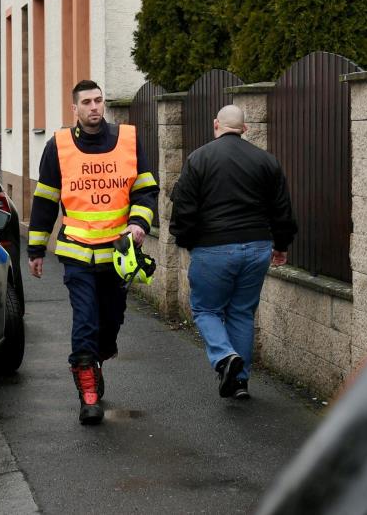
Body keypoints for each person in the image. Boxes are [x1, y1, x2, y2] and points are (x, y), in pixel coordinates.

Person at [28, 80, 159, 425]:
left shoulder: (128, 140)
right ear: (75, 109)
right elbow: (44, 200)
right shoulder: (58, 146)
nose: (94, 107)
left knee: (110, 324)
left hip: (117, 255)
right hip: (78, 255)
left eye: (98, 100)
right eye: (86, 102)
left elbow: (146, 191)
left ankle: (97, 360)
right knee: (85, 321)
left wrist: (139, 225)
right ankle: (88, 396)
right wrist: (36, 249)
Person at [170, 105, 297, 400]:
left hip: (213, 247)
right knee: (241, 312)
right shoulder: (266, 161)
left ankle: (225, 357)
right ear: (245, 128)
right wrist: (281, 244)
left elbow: (184, 209)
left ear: (216, 125)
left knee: (206, 309)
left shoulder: (198, 159)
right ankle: (239, 381)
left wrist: (186, 241)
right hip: (257, 247)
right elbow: (282, 209)